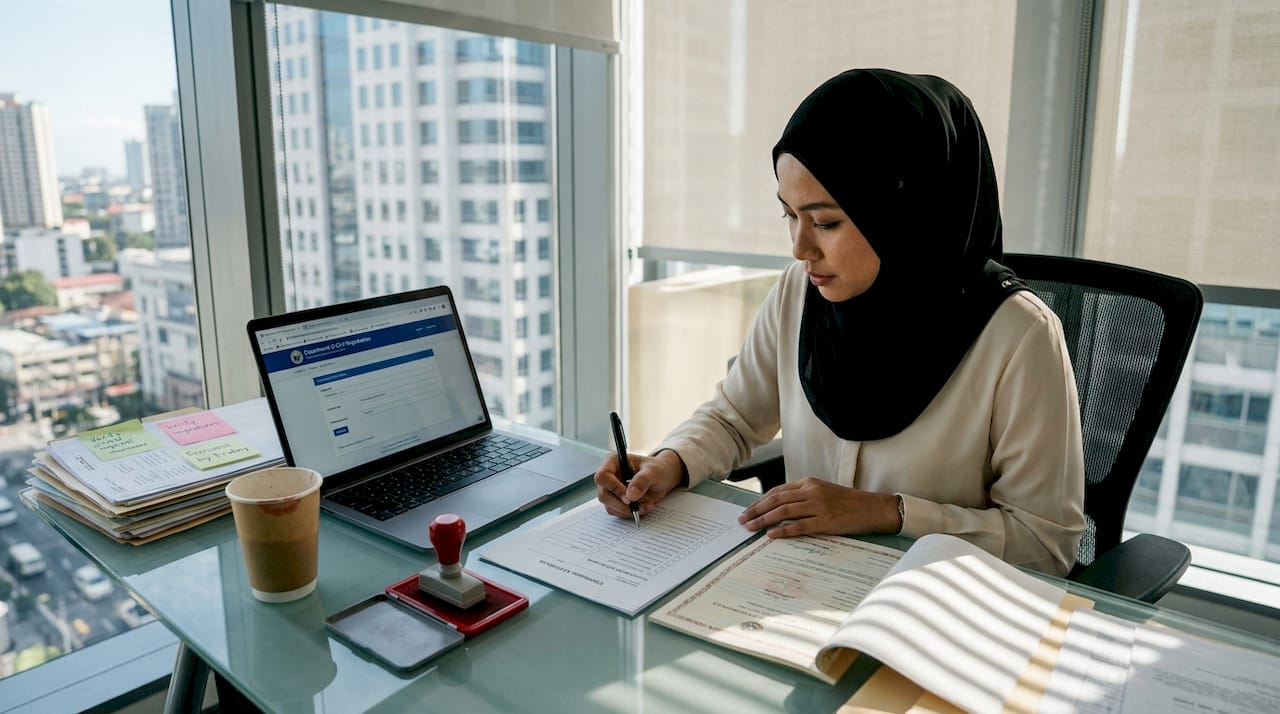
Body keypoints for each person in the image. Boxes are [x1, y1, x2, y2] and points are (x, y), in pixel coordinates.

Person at [595, 68, 1085, 576]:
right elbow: (734, 417)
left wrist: (886, 513)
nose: (799, 248)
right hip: (801, 585)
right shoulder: (798, 292)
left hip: (935, 609)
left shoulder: (1020, 336)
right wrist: (666, 464)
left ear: (903, 214)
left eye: (826, 222)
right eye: (790, 215)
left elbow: (1044, 545)